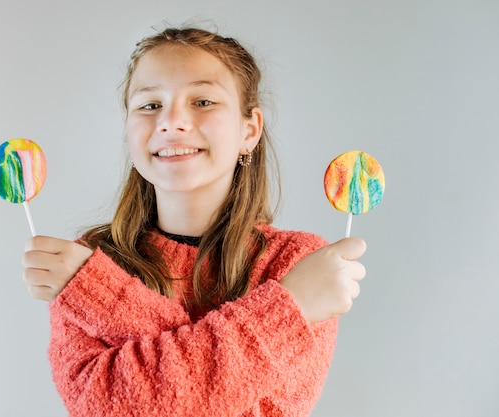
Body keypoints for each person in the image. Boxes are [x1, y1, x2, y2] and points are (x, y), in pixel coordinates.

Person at [22, 26, 367, 417]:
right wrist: (291, 307)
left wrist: (100, 294)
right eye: (150, 105)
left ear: (249, 130)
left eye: (202, 101)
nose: (171, 122)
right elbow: (104, 408)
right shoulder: (90, 259)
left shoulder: (298, 262)